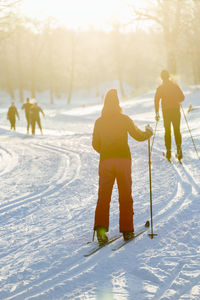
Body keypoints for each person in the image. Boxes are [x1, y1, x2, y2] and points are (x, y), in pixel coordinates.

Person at [92, 89, 153, 246]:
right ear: (118, 104)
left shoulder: (99, 121)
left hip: (106, 161)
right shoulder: (124, 119)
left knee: (103, 196)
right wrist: (148, 133)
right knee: (125, 195)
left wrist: (105, 151)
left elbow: (95, 144)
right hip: (123, 160)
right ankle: (127, 231)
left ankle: (101, 232)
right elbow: (138, 135)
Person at [154, 70, 185, 161]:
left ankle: (168, 151)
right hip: (175, 110)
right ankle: (179, 149)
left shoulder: (160, 88)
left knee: (167, 130)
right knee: (177, 129)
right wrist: (177, 99)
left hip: (166, 112)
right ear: (169, 76)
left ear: (161, 77)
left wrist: (157, 113)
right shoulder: (175, 85)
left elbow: (156, 101)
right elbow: (182, 97)